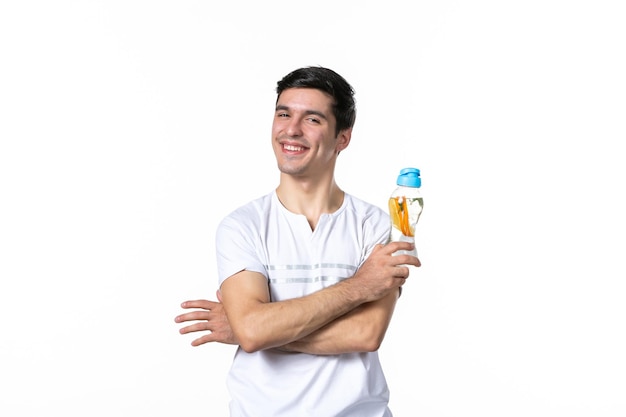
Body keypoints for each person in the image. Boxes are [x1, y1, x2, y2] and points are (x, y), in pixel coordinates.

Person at [175, 66, 421, 417]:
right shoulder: (243, 226)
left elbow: (366, 333)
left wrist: (254, 330)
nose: (291, 129)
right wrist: (359, 287)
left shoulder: (380, 226)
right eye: (284, 113)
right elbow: (254, 330)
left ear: (343, 138)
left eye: (313, 120)